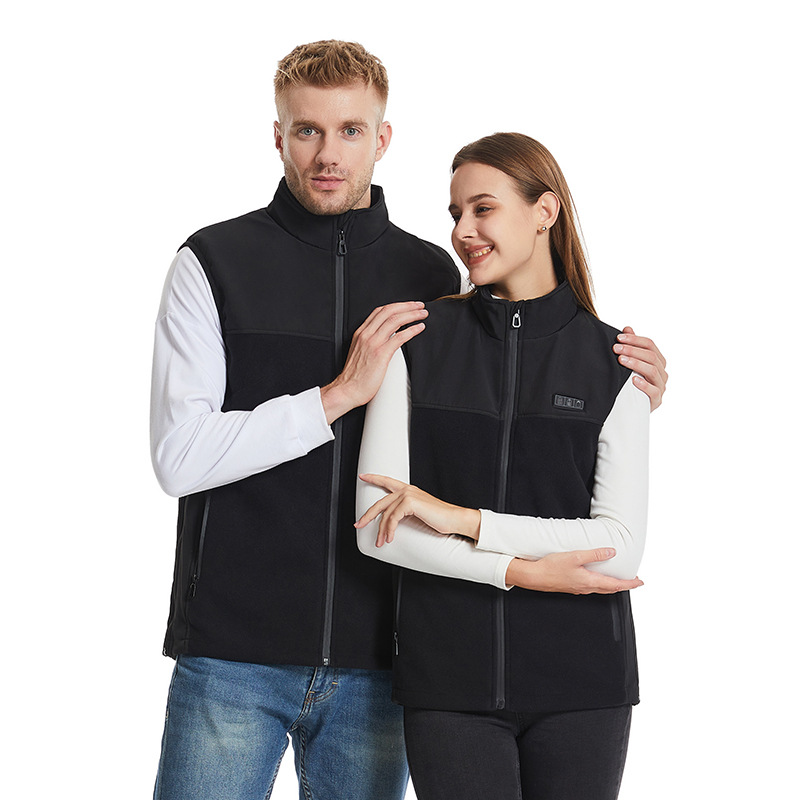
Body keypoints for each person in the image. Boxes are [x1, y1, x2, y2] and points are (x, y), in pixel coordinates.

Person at [150, 40, 667, 800]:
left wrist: (621, 395)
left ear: (382, 138)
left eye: (351, 130)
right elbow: (179, 456)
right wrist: (337, 394)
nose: (328, 153)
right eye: (307, 130)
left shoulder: (431, 278)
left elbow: (514, 400)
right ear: (278, 135)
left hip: (385, 657)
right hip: (234, 648)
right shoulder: (214, 261)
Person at [355, 132, 651, 800]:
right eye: (455, 213)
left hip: (584, 685)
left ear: (545, 211)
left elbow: (617, 546)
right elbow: (379, 528)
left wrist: (461, 519)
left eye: (482, 208)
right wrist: (518, 570)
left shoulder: (617, 364)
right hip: (447, 680)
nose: (463, 231)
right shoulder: (416, 344)